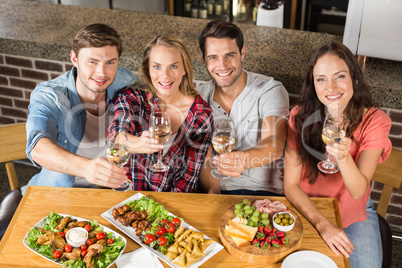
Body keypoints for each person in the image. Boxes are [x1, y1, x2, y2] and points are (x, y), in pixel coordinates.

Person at [284, 41, 392, 267]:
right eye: (321, 79)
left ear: (354, 78)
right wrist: (322, 224)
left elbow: (357, 190)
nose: (330, 88)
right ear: (313, 85)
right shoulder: (300, 117)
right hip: (306, 206)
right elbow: (291, 185)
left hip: (352, 211)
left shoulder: (375, 121)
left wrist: (343, 157)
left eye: (339, 76)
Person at [25, 23, 137, 192]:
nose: (102, 73)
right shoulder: (50, 94)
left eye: (110, 62)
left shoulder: (126, 81)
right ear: (74, 59)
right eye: (93, 62)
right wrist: (86, 168)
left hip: (117, 191)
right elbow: (37, 147)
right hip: (61, 192)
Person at [108, 33, 213, 192]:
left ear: (184, 68)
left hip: (176, 206)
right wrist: (138, 144)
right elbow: (115, 138)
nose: (165, 75)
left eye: (173, 66)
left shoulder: (200, 114)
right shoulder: (132, 99)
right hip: (131, 202)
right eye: (157, 66)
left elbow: (189, 178)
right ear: (148, 70)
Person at [197, 20, 289, 195]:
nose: (222, 66)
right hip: (219, 190)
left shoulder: (270, 90)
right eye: (213, 57)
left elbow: (275, 143)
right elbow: (203, 156)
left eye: (229, 55)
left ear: (242, 53)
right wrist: (213, 197)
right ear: (204, 60)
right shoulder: (199, 96)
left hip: (264, 191)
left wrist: (243, 159)